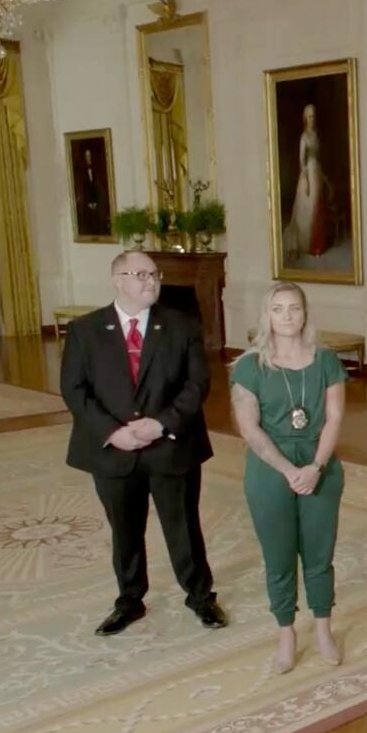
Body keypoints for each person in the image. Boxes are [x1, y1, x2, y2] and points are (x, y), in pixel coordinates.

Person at [60, 251, 225, 636]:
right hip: (114, 450)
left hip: (171, 445)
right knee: (125, 530)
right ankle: (129, 601)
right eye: (141, 274)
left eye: (155, 274)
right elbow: (74, 389)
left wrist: (161, 424)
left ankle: (201, 597)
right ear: (118, 280)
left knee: (183, 527)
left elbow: (197, 384)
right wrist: (112, 432)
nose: (151, 281)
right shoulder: (85, 330)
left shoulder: (182, 326)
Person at [230, 283, 347, 674]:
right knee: (278, 557)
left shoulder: (327, 361)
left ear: (305, 314)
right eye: (278, 309)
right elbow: (249, 429)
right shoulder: (249, 367)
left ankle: (324, 630)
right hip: (269, 469)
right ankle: (286, 635)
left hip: (320, 462)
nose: (286, 316)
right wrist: (288, 470)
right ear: (267, 315)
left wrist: (315, 466)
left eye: (294, 308)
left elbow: (334, 419)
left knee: (319, 554)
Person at [285, 103, 331, 259]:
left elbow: (318, 158)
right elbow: (301, 161)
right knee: (307, 209)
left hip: (316, 171)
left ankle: (317, 244)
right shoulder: (304, 137)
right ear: (305, 118)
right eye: (310, 116)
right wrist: (307, 183)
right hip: (308, 174)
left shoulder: (316, 135)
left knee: (318, 206)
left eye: (314, 116)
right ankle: (306, 244)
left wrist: (323, 177)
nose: (312, 119)